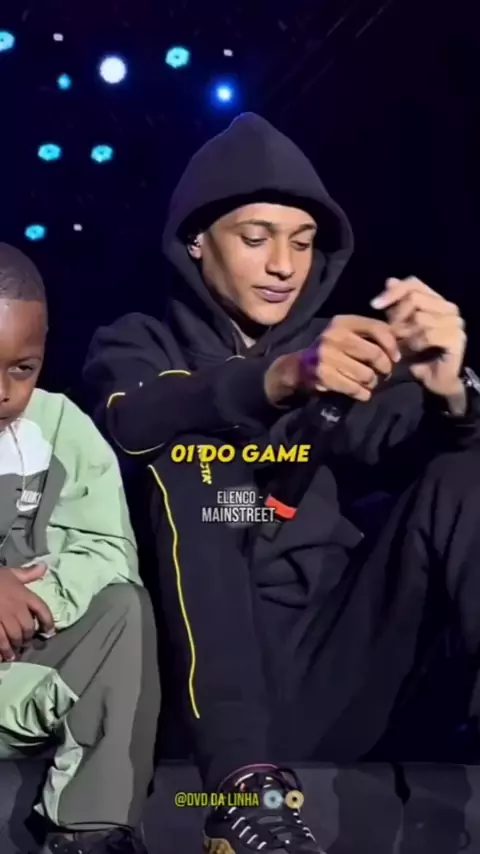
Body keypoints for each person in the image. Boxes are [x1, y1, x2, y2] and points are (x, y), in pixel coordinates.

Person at [82, 113, 480, 854]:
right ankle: (244, 795)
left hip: (338, 661)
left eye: (301, 242)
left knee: (465, 470)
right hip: (199, 687)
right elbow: (135, 421)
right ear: (196, 241)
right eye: (256, 237)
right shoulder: (138, 341)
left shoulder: (341, 346)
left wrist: (453, 390)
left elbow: (420, 443)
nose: (284, 266)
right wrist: (279, 379)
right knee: (196, 469)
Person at [0, 244, 160, 854]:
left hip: (19, 677)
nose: (3, 391)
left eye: (22, 368)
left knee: (123, 609)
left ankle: (91, 832)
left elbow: (108, 552)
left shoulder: (63, 427)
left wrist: (24, 606)